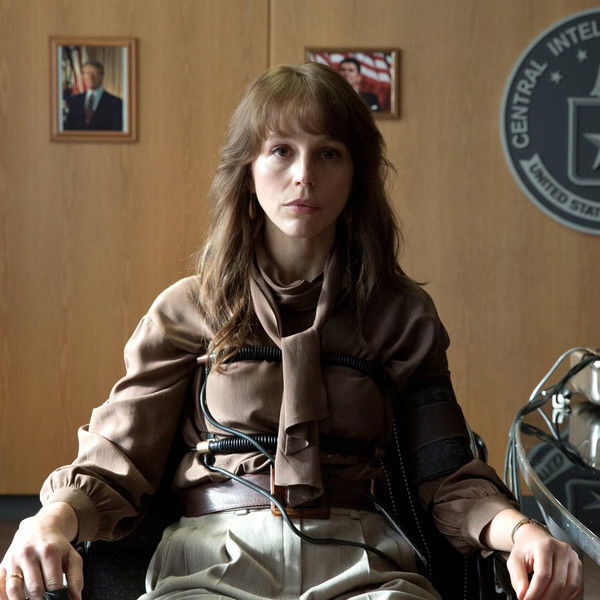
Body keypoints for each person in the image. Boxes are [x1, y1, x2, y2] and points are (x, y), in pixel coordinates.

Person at [0, 63, 582, 600]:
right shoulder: (186, 309)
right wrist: (47, 521)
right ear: (248, 172)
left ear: (355, 174)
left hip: (367, 562)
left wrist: (523, 533)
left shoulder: (401, 314)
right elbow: (117, 458)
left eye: (328, 153)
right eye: (281, 151)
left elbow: (448, 477)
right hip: (211, 560)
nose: (304, 176)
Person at [63, 61, 123, 131]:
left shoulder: (116, 102)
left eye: (95, 73)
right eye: (87, 73)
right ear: (83, 76)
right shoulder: (75, 100)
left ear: (102, 76)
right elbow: (68, 128)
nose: (90, 77)